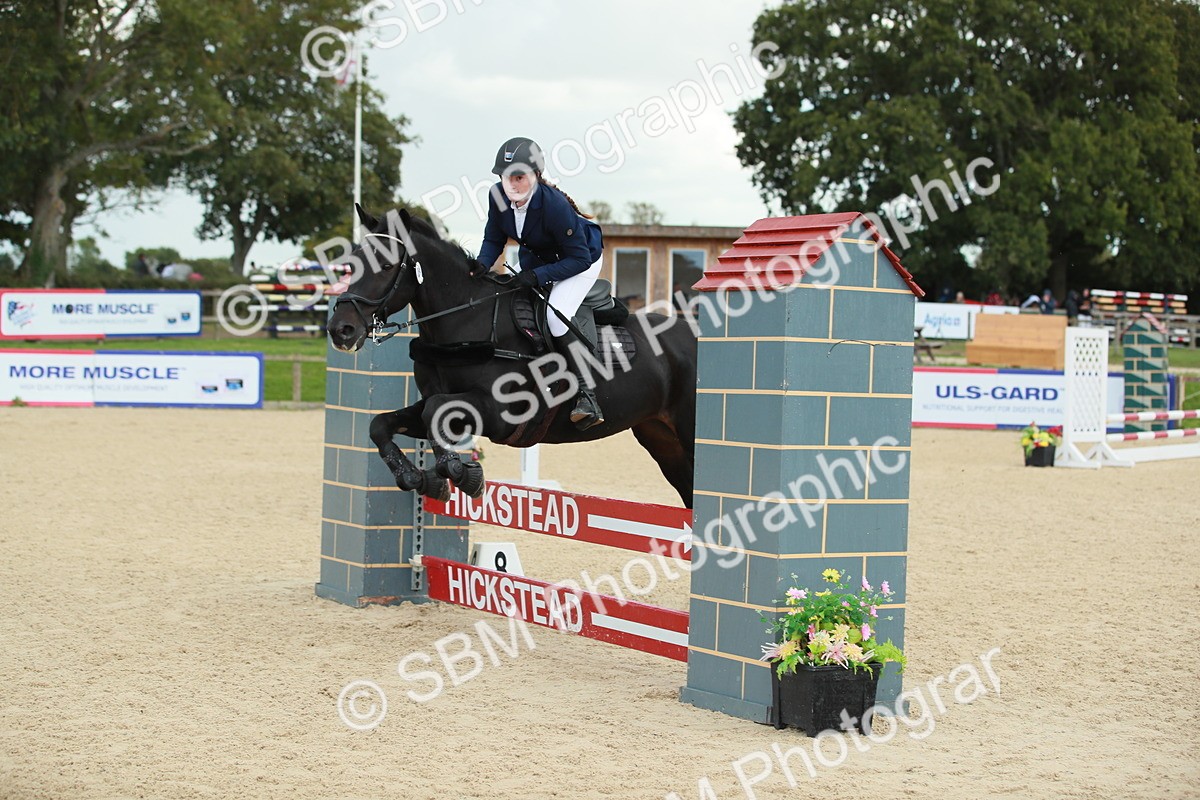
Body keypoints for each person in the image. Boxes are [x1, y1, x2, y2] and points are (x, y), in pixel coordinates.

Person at [474, 136, 606, 430]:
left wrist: (536, 276)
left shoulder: (553, 205)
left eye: (519, 177)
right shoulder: (498, 197)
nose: (511, 184)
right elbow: (493, 239)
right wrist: (480, 267)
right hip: (543, 258)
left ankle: (587, 394)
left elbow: (578, 259)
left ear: (535, 176)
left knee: (554, 317)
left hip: (582, 260)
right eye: (506, 176)